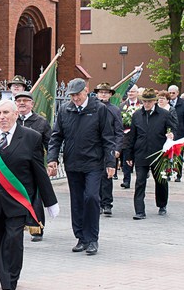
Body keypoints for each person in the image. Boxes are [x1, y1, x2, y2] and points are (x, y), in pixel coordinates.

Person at [0, 98, 58, 290]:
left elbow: (39, 172)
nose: (2, 117)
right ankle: (4, 278)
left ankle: (10, 286)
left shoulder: (31, 138)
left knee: (14, 242)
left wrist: (50, 202)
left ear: (16, 115)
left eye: (6, 113)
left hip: (18, 202)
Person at [47, 78, 119, 256]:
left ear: (86, 91)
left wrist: (111, 162)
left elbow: (108, 138)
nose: (75, 99)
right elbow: (56, 136)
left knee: (92, 198)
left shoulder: (100, 109)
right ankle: (81, 237)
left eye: (78, 95)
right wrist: (52, 158)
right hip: (73, 163)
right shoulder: (65, 109)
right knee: (77, 201)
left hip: (94, 163)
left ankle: (92, 238)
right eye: (72, 96)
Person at [127, 88, 177, 219]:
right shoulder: (137, 115)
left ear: (154, 101)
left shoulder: (164, 114)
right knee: (140, 182)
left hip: (158, 153)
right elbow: (132, 136)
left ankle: (162, 204)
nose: (147, 104)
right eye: (144, 101)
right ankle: (139, 211)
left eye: (149, 102)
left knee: (161, 181)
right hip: (141, 153)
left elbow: (173, 128)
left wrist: (172, 134)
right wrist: (129, 155)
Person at [14, 89, 51, 242]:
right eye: (19, 101)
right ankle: (18, 224)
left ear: (32, 104)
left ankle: (37, 228)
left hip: (34, 167)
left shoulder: (41, 122)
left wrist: (51, 163)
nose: (22, 103)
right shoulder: (12, 120)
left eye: (25, 101)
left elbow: (49, 144)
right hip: (14, 167)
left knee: (35, 198)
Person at [93, 83, 124, 217]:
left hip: (109, 146)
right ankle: (98, 202)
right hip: (94, 147)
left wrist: (117, 148)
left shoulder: (114, 110)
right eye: (101, 92)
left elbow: (119, 131)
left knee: (107, 176)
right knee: (95, 175)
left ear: (111, 94)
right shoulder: (93, 107)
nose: (103, 94)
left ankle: (107, 203)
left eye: (106, 92)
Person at [119, 87, 141, 188]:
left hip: (139, 136)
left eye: (133, 91)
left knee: (139, 158)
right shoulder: (122, 106)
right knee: (126, 158)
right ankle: (126, 180)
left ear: (137, 93)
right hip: (127, 136)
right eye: (129, 91)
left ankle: (140, 179)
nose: (130, 93)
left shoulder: (141, 105)